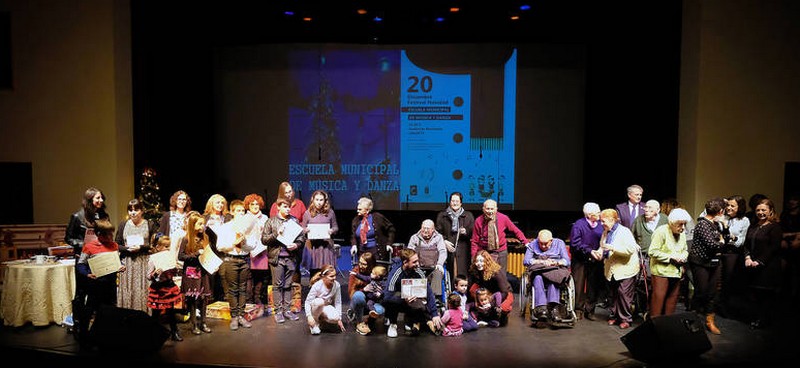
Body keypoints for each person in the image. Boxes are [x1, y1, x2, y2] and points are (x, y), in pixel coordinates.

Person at [64, 187, 109, 341]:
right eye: (98, 198)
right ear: (90, 199)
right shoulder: (77, 216)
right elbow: (68, 238)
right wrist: (84, 244)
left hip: (99, 258)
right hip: (83, 259)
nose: (101, 201)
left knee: (98, 292)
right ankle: (77, 324)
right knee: (81, 293)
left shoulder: (103, 215)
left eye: (102, 198)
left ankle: (97, 324)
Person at [75, 219, 126, 345]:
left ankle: (105, 336)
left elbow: (117, 262)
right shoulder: (89, 246)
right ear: (98, 234)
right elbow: (81, 264)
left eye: (111, 234)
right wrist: (87, 273)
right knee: (90, 309)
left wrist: (121, 266)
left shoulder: (114, 245)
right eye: (107, 235)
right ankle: (83, 336)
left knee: (109, 310)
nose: (110, 237)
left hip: (110, 285)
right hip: (95, 285)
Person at [593, 209, 640, 330]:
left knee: (623, 294)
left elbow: (630, 250)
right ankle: (614, 315)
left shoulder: (625, 232)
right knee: (613, 294)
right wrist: (598, 252)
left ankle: (625, 319)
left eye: (603, 221)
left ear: (612, 220)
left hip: (626, 268)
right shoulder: (605, 232)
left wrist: (613, 247)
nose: (601, 223)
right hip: (611, 269)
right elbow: (602, 247)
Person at [262, 197, 306, 324]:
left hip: (291, 257)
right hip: (277, 258)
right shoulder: (271, 221)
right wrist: (277, 234)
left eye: (289, 207)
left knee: (288, 285)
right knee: (278, 285)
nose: (287, 209)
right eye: (285, 207)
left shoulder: (294, 220)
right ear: (278, 207)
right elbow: (264, 240)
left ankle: (287, 310)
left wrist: (296, 245)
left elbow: (302, 239)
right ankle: (279, 312)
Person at [687, 197, 726, 335]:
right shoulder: (702, 224)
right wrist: (721, 242)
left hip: (715, 263)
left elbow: (727, 237)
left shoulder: (717, 224)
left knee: (712, 292)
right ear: (721, 211)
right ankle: (692, 320)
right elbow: (713, 245)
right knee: (701, 292)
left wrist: (724, 230)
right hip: (701, 263)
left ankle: (710, 321)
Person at [383, 248, 443, 337]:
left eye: (417, 261)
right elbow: (387, 296)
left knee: (421, 303)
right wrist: (403, 298)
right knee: (393, 299)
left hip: (410, 298)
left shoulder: (418, 271)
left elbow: (429, 292)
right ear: (405, 262)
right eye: (414, 262)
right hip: (397, 300)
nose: (417, 264)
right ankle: (393, 324)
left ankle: (410, 320)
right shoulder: (396, 273)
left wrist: (434, 314)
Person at [743, 198, 783, 329]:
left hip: (767, 267)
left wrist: (759, 261)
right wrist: (747, 257)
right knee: (753, 295)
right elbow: (746, 244)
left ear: (770, 211)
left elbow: (774, 247)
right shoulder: (753, 226)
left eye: (763, 210)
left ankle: (764, 320)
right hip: (751, 265)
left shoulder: (775, 227)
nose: (760, 212)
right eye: (758, 210)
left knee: (765, 296)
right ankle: (756, 318)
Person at [218, 199, 257, 331]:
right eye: (238, 211)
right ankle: (234, 316)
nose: (241, 213)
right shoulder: (225, 227)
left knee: (243, 288)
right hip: (231, 259)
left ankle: (241, 315)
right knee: (233, 289)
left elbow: (253, 245)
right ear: (232, 212)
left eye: (243, 211)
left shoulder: (249, 228)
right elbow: (219, 246)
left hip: (244, 259)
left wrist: (244, 241)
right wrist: (233, 244)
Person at [647, 208, 691, 318]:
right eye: (680, 224)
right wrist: (671, 257)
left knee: (671, 303)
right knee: (658, 303)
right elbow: (652, 251)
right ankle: (654, 328)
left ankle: (667, 329)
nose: (683, 228)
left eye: (684, 224)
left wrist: (683, 257)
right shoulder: (661, 231)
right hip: (661, 272)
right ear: (671, 222)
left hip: (676, 272)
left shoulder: (682, 233)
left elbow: (685, 250)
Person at [116, 198, 156, 313]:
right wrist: (127, 248)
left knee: (142, 290)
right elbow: (117, 244)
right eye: (130, 210)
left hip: (143, 262)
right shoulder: (123, 224)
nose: (133, 212)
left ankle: (143, 317)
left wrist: (141, 247)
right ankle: (128, 317)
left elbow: (154, 244)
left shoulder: (149, 224)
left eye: (136, 210)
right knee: (128, 290)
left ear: (142, 211)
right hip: (128, 263)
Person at [178, 211, 216, 335]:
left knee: (204, 298)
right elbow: (181, 256)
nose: (202, 227)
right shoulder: (186, 239)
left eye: (203, 224)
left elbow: (209, 253)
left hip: (204, 271)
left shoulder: (205, 237)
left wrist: (212, 264)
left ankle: (203, 323)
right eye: (199, 224)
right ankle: (194, 324)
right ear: (192, 225)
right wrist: (195, 255)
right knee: (193, 299)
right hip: (192, 273)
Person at [523, 229, 571, 322]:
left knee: (553, 279)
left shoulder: (559, 243)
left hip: (555, 269)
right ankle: (541, 308)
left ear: (551, 241)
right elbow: (526, 261)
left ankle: (553, 308)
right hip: (539, 269)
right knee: (537, 278)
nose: (543, 246)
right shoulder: (533, 244)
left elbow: (567, 261)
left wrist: (556, 262)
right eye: (541, 243)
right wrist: (540, 261)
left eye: (546, 243)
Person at [569, 202, 605, 321]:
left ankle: (590, 310)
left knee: (593, 285)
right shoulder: (579, 225)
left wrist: (600, 251)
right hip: (580, 259)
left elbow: (605, 238)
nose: (600, 214)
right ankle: (578, 309)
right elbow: (575, 244)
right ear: (589, 215)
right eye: (597, 213)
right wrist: (589, 251)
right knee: (578, 285)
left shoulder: (600, 224)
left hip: (596, 259)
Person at [471, 199, 527, 274]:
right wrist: (474, 256)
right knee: (486, 275)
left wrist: (525, 242)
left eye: (492, 209)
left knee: (501, 275)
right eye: (487, 209)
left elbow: (516, 231)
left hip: (501, 251)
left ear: (496, 209)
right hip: (485, 252)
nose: (490, 211)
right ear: (483, 209)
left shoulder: (503, 218)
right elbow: (475, 241)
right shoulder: (478, 221)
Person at [717, 195, 750, 317]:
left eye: (732, 206)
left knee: (727, 281)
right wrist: (721, 202)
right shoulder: (722, 216)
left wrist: (730, 236)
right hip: (718, 250)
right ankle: (713, 306)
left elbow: (741, 241)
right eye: (728, 205)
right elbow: (704, 214)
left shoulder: (744, 220)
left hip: (732, 254)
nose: (729, 208)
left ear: (739, 207)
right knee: (716, 279)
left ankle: (725, 308)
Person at [147, 234, 183, 342]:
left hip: (168, 285)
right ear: (158, 247)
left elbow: (175, 271)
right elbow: (148, 276)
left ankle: (174, 332)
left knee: (171, 311)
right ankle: (152, 333)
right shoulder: (153, 259)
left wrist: (175, 268)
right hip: (158, 288)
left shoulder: (170, 257)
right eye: (165, 246)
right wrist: (155, 273)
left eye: (169, 246)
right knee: (156, 313)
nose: (168, 249)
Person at [435, 192, 475, 286]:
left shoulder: (468, 216)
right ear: (450, 202)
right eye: (453, 201)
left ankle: (464, 296)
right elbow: (437, 233)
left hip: (463, 250)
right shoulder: (442, 215)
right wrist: (444, 242)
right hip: (448, 249)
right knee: (450, 273)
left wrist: (466, 232)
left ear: (461, 203)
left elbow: (473, 232)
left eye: (457, 201)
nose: (455, 203)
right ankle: (451, 296)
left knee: (463, 273)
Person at [468, 249, 514, 325]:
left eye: (482, 261)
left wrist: (491, 304)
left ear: (487, 261)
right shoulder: (475, 270)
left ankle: (503, 315)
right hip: (489, 293)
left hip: (504, 294)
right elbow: (471, 288)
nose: (479, 264)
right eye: (477, 261)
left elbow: (504, 292)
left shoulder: (496, 273)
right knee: (473, 288)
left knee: (503, 308)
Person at [300, 190, 339, 277]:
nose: (319, 202)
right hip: (313, 246)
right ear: (313, 200)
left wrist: (332, 230)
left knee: (326, 272)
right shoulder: (307, 213)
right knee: (314, 273)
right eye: (317, 199)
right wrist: (306, 230)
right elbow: (302, 228)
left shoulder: (330, 212)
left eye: (321, 200)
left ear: (325, 201)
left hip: (326, 247)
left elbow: (336, 227)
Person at [407, 219, 447, 297]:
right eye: (423, 228)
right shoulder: (414, 238)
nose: (425, 230)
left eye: (428, 228)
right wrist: (414, 264)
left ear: (433, 229)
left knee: (438, 273)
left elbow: (443, 252)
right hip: (418, 268)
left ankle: (435, 298)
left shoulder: (438, 238)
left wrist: (440, 264)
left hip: (434, 268)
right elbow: (409, 253)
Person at [349, 196, 396, 264]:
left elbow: (391, 229)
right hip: (362, 252)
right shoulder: (356, 220)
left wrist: (389, 243)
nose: (357, 211)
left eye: (360, 209)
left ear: (367, 210)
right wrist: (354, 245)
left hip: (376, 251)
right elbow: (353, 235)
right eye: (357, 209)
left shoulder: (377, 217)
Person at [243, 193, 270, 307]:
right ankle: (249, 299)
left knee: (262, 275)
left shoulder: (265, 218)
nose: (255, 206)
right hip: (249, 251)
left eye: (257, 204)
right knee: (250, 277)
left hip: (262, 249)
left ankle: (258, 297)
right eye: (252, 204)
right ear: (248, 205)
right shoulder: (244, 218)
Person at [347, 252, 382, 335]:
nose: (360, 265)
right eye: (360, 263)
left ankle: (367, 321)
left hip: (371, 302)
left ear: (370, 265)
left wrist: (379, 292)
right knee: (359, 296)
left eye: (364, 264)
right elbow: (351, 293)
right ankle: (359, 322)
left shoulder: (377, 274)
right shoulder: (355, 272)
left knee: (380, 310)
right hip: (358, 301)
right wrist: (364, 290)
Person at [305, 265, 345, 335]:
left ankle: (322, 321)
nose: (334, 278)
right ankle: (315, 322)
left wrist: (339, 319)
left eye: (335, 275)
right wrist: (309, 316)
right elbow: (308, 302)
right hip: (316, 307)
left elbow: (338, 302)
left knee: (335, 318)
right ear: (323, 277)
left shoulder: (337, 285)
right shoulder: (317, 285)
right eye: (331, 276)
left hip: (326, 307)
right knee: (319, 302)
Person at [631, 199, 667, 277]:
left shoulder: (665, 219)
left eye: (650, 208)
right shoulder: (638, 220)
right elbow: (630, 236)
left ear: (658, 210)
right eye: (646, 207)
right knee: (643, 281)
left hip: (660, 257)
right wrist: (634, 244)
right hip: (643, 256)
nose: (646, 210)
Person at [351, 265, 387, 335]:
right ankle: (358, 316)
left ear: (378, 276)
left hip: (374, 299)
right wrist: (356, 274)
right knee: (366, 302)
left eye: (373, 274)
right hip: (367, 296)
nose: (371, 274)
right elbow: (364, 278)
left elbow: (385, 290)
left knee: (370, 304)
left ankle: (372, 314)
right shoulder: (371, 279)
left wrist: (380, 293)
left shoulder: (382, 283)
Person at [779, 194, 800, 301]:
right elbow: (780, 231)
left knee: (795, 271)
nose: (792, 202)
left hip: (797, 246)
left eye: (795, 199)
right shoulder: (785, 214)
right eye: (790, 199)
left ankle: (794, 296)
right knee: (782, 269)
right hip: (785, 245)